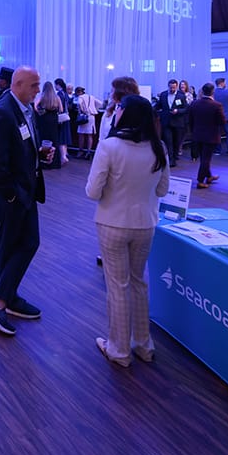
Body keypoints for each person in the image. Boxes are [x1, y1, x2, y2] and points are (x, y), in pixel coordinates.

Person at [85, 96, 170, 367]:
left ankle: (119, 350)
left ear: (124, 113)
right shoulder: (159, 148)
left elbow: (92, 192)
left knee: (117, 286)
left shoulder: (109, 146)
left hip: (112, 223)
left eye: (119, 108)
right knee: (138, 282)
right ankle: (143, 344)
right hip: (145, 224)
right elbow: (163, 190)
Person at [0, 66, 51, 337]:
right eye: (34, 85)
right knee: (16, 243)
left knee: (24, 242)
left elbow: (22, 147)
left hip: (25, 189)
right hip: (11, 193)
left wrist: (39, 154)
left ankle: (7, 296)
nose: (38, 90)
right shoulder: (4, 111)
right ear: (18, 84)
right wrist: (10, 195)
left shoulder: (26, 110)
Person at [188, 83, 224, 188]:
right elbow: (222, 121)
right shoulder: (217, 105)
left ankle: (209, 176)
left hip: (197, 135)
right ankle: (200, 181)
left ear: (202, 91)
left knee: (203, 158)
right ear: (213, 92)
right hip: (211, 136)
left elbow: (190, 120)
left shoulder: (194, 103)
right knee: (206, 159)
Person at [154, 79, 188, 167]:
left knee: (177, 141)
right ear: (168, 86)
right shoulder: (163, 95)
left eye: (174, 87)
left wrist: (178, 111)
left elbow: (186, 108)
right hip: (166, 122)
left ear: (176, 87)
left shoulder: (181, 96)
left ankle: (175, 156)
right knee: (168, 141)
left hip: (178, 122)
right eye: (171, 87)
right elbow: (158, 106)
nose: (172, 89)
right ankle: (171, 160)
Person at [34, 81, 63, 173]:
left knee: (43, 139)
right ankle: (55, 162)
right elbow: (61, 109)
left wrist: (40, 112)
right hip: (54, 119)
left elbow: (35, 106)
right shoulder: (56, 97)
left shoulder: (42, 96)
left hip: (44, 119)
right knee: (54, 139)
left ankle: (44, 162)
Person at [74, 86, 100, 158]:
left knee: (81, 134)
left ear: (78, 92)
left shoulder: (80, 97)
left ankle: (80, 151)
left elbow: (79, 103)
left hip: (84, 116)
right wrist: (94, 109)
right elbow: (100, 103)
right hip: (92, 116)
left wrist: (82, 110)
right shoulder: (91, 96)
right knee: (89, 135)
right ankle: (88, 152)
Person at [213, 79, 228, 156]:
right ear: (222, 83)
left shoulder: (213, 93)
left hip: (216, 116)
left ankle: (217, 150)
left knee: (217, 134)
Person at [53, 76, 71, 165]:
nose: (54, 87)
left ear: (58, 85)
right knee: (65, 137)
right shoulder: (65, 93)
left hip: (61, 118)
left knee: (61, 137)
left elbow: (58, 106)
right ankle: (65, 154)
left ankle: (63, 157)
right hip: (66, 117)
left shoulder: (59, 94)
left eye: (55, 85)